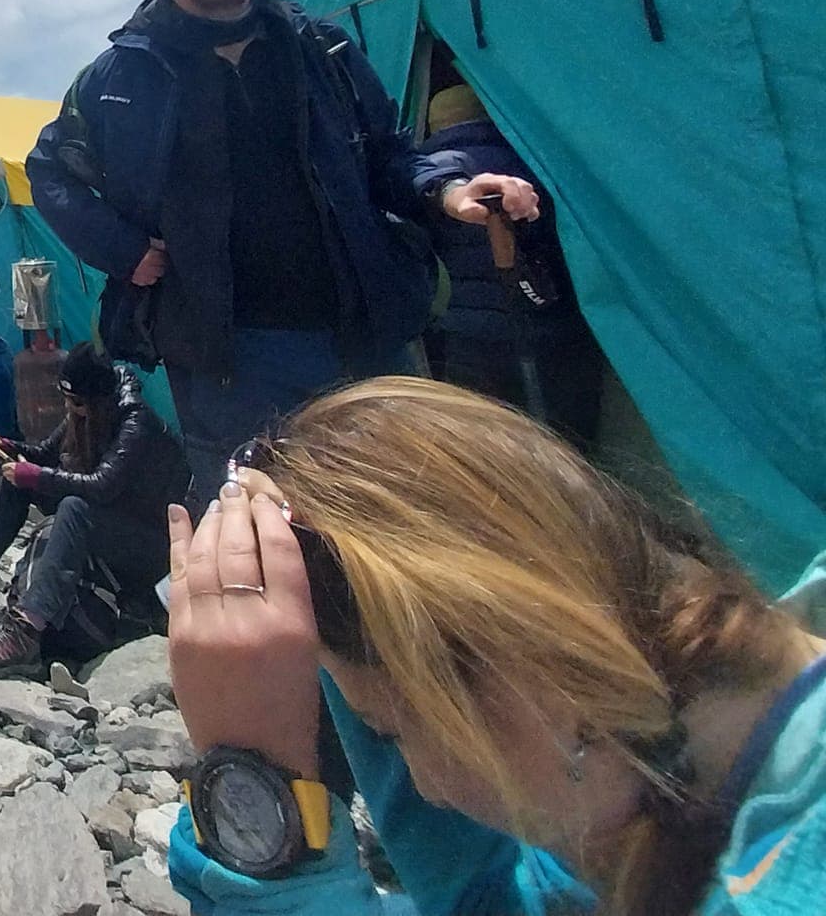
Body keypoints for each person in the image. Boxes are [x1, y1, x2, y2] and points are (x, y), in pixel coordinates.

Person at [163, 377, 826, 916]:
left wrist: (266, 829)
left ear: (538, 672)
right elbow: (490, 899)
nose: (425, 788)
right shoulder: (682, 770)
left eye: (393, 734)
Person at [26, 0, 542, 499]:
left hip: (364, 324)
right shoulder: (118, 78)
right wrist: (123, 249)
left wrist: (448, 189)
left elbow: (387, 154)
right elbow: (49, 170)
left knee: (402, 500)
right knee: (259, 514)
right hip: (229, 351)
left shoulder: (321, 47)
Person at [0, 344, 188, 678]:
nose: (69, 409)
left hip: (149, 547)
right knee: (18, 477)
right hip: (109, 521)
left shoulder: (136, 424)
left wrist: (36, 475)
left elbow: (102, 485)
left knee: (73, 506)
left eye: (75, 403)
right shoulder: (87, 409)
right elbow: (44, 454)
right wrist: (8, 448)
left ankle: (27, 631)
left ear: (95, 399)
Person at [420, 82, 606, 451]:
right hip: (545, 323)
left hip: (463, 335)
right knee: (564, 438)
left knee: (495, 445)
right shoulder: (530, 161)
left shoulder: (426, 183)